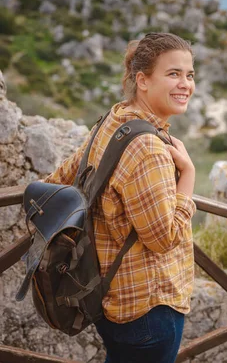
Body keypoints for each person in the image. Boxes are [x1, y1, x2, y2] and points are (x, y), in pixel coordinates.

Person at [44, 32, 197, 363]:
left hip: (109, 296)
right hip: (149, 308)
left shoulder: (115, 119)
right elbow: (163, 238)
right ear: (142, 80)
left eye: (190, 74)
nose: (185, 84)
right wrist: (189, 177)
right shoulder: (148, 148)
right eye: (173, 74)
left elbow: (60, 179)